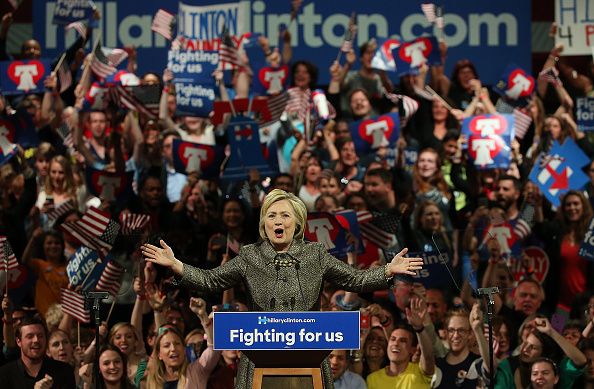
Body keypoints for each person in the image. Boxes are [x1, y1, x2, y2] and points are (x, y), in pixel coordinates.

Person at [142, 189, 424, 389]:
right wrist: (177, 265)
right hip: (260, 361)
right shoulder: (251, 255)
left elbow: (355, 280)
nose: (279, 221)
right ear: (264, 223)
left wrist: (388, 270)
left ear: (298, 223)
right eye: (272, 215)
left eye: (285, 215)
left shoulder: (316, 254)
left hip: (308, 359)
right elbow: (210, 280)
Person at [0, 316, 75, 388]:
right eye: (30, 336)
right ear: (19, 341)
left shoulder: (64, 371)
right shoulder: (5, 374)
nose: (36, 340)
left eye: (40, 336)